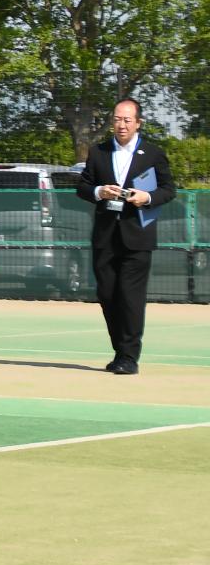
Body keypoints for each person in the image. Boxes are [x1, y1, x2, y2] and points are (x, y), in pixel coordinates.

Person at [75, 99, 174, 376]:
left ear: (138, 123)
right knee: (107, 294)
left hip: (138, 236)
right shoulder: (99, 152)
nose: (121, 125)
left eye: (127, 120)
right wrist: (99, 192)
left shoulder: (152, 154)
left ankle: (129, 356)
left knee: (130, 297)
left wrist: (148, 197)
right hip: (105, 236)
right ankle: (120, 348)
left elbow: (169, 189)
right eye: (117, 119)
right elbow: (82, 187)